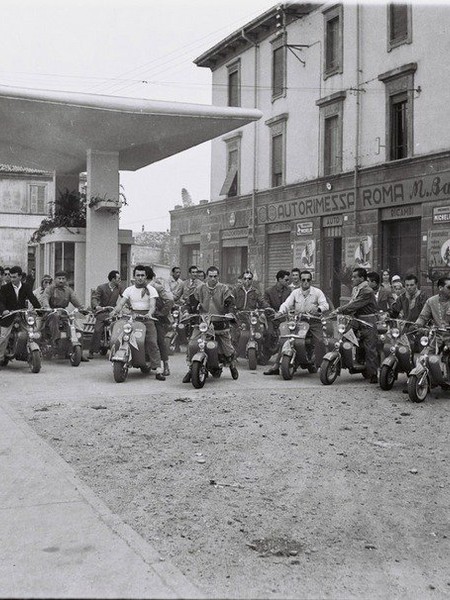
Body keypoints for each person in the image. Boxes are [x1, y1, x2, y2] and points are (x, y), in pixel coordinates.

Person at [264, 270, 329, 375]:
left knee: (320, 340)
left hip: (314, 322)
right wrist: (280, 312)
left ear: (311, 281)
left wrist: (318, 309)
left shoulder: (317, 292)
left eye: (308, 280)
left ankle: (322, 366)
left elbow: (325, 305)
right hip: (299, 321)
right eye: (303, 279)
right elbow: (287, 304)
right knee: (285, 338)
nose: (305, 282)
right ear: (300, 281)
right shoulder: (295, 292)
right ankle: (276, 365)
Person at [182, 265, 237, 383]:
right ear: (206, 277)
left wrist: (230, 313)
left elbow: (231, 304)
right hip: (203, 324)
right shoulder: (199, 289)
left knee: (227, 349)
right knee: (192, 344)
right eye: (210, 276)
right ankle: (191, 369)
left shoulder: (224, 289)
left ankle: (232, 365)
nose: (213, 279)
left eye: (215, 276)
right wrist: (187, 312)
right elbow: (189, 303)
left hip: (220, 323)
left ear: (218, 277)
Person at [111, 264, 165, 380]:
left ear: (146, 277)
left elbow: (152, 305)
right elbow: (121, 303)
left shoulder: (151, 290)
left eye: (142, 275)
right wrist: (115, 311)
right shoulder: (129, 290)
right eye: (138, 275)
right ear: (134, 276)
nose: (140, 278)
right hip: (132, 317)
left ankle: (158, 369)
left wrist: (149, 313)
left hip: (147, 318)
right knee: (122, 336)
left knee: (152, 341)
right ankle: (124, 358)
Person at [332, 267, 379, 383]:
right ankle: (350, 361)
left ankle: (373, 374)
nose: (352, 279)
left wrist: (339, 310)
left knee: (370, 347)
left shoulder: (367, 291)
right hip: (356, 320)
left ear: (361, 278)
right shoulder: (356, 289)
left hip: (368, 321)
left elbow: (355, 305)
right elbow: (351, 303)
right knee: (344, 336)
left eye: (354, 277)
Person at [0, 265, 41, 365]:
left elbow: (33, 299)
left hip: (22, 315)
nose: (11, 279)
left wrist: (40, 310)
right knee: (3, 337)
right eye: (10, 276)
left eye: (14, 277)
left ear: (20, 277)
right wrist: (4, 310)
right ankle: (0, 357)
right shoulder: (5, 288)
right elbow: (0, 301)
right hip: (8, 316)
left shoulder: (26, 287)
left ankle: (26, 353)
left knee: (31, 332)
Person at [43, 271, 89, 360]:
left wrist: (82, 309)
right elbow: (45, 298)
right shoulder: (49, 289)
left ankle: (78, 351)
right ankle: (56, 340)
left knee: (77, 328)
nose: (61, 281)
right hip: (51, 313)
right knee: (55, 317)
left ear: (66, 280)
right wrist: (47, 308)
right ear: (55, 279)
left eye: (63, 279)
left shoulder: (68, 290)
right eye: (59, 278)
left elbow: (75, 300)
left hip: (64, 313)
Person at [87, 270, 122, 359]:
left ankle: (118, 348)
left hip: (113, 312)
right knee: (98, 330)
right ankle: (92, 350)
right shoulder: (101, 287)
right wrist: (97, 306)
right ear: (113, 279)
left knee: (119, 328)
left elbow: (125, 297)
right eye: (118, 278)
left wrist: (130, 305)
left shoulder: (119, 288)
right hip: (102, 312)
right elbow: (95, 298)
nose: (120, 280)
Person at [145, 266, 173, 377]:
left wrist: (161, 313)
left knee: (160, 340)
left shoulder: (158, 287)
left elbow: (170, 301)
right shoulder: (137, 288)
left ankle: (166, 365)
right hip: (143, 317)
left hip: (158, 319)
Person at [263, 270, 291, 366]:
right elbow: (265, 302)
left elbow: (291, 303)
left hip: (284, 318)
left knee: (287, 335)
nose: (288, 282)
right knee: (269, 333)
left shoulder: (289, 291)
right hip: (272, 317)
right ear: (279, 279)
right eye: (286, 280)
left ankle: (286, 357)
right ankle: (265, 355)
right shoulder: (269, 291)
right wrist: (270, 309)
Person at [415, 276, 450, 345]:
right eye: (449, 287)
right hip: (437, 337)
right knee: (426, 355)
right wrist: (418, 326)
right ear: (440, 288)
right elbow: (423, 317)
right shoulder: (431, 301)